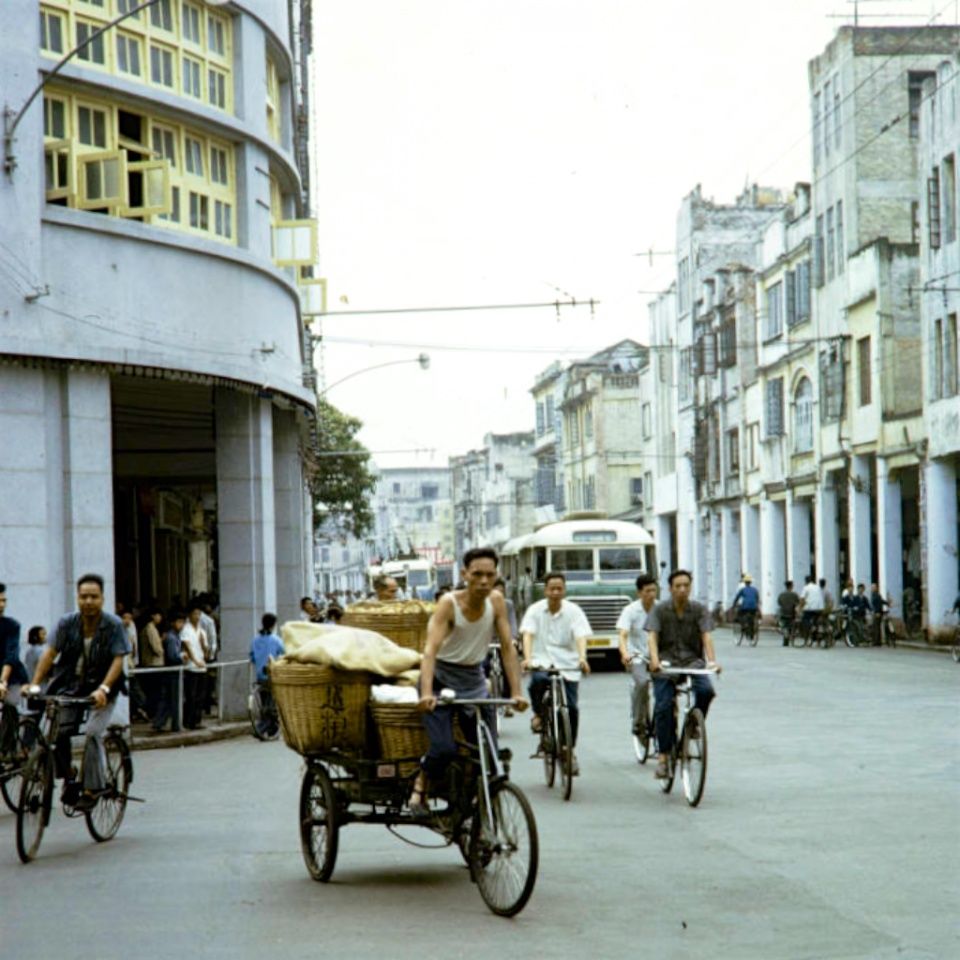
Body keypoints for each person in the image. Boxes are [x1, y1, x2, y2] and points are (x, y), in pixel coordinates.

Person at [409, 547, 527, 816]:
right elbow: (430, 651)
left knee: (488, 753)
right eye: (477, 575)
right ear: (465, 574)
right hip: (441, 680)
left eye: (489, 575)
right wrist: (426, 693)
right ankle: (421, 784)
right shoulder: (449, 604)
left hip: (474, 680)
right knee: (443, 749)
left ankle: (474, 801)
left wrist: (517, 692)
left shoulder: (496, 602)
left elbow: (508, 648)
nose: (483, 581)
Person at [28, 574, 130, 811]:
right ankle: (69, 775)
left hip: (103, 689)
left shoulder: (113, 625)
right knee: (54, 731)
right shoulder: (67, 623)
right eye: (83, 596)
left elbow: (118, 660)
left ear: (102, 598)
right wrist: (34, 683)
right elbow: (50, 654)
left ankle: (92, 789)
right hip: (70, 688)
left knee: (93, 733)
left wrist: (104, 688)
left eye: (94, 596)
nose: (88, 601)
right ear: (77, 597)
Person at [646, 569, 721, 780]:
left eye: (686, 585)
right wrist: (654, 660)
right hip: (665, 664)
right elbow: (652, 637)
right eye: (677, 586)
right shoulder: (659, 610)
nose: (682, 589)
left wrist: (712, 661)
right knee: (663, 706)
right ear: (670, 588)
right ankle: (662, 757)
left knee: (706, 691)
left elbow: (706, 637)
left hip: (692, 662)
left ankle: (693, 725)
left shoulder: (699, 609)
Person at [520, 572, 592, 776]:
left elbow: (580, 636)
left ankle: (569, 750)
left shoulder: (574, 611)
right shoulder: (534, 610)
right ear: (545, 590)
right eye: (551, 588)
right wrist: (527, 658)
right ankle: (539, 715)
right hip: (541, 659)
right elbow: (528, 635)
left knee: (572, 709)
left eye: (559, 588)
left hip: (567, 662)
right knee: (537, 682)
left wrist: (582, 658)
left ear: (564, 590)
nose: (555, 592)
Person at [617, 573, 658, 739]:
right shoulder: (630, 610)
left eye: (654, 590)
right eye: (647, 591)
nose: (651, 595)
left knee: (670, 685)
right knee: (642, 682)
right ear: (639, 593)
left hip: (657, 655)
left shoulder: (661, 609)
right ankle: (638, 721)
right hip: (637, 655)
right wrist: (625, 653)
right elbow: (622, 635)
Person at [0, 583, 29, 757]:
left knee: (9, 704)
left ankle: (8, 750)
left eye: (4, 601)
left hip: (11, 677)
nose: (2, 605)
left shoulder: (12, 626)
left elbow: (11, 656)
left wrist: (2, 681)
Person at [249, 613, 285, 738]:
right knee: (271, 704)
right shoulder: (275, 640)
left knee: (265, 701)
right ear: (274, 625)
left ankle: (271, 728)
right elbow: (285, 652)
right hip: (272, 673)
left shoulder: (255, 639)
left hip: (260, 673)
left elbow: (252, 656)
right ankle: (261, 727)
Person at [152, 611, 185, 734]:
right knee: (173, 699)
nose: (181, 625)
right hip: (172, 671)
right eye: (179, 622)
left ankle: (159, 722)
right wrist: (182, 657)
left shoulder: (175, 636)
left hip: (173, 671)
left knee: (168, 699)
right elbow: (172, 656)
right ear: (173, 623)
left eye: (182, 622)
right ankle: (175, 725)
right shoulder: (171, 637)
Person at [179, 601, 208, 729]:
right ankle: (189, 721)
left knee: (200, 696)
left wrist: (203, 644)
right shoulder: (186, 630)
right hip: (191, 666)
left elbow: (206, 652)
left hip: (202, 666)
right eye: (195, 614)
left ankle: (197, 720)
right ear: (190, 615)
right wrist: (195, 661)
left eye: (199, 614)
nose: (197, 616)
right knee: (191, 695)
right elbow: (187, 646)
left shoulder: (202, 631)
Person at [731, 573, 760, 637]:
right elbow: (757, 598)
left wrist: (733, 605)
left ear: (745, 583)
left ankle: (744, 625)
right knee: (752, 617)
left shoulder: (743, 589)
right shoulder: (755, 590)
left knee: (739, 614)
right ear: (751, 582)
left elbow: (737, 597)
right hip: (754, 607)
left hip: (745, 606)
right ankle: (752, 633)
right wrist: (757, 606)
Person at [777, 580, 801, 646]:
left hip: (783, 613)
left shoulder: (781, 595)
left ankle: (785, 635)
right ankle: (792, 634)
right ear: (791, 586)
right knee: (792, 624)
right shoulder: (794, 595)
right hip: (791, 614)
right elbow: (798, 603)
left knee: (784, 625)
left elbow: (779, 603)